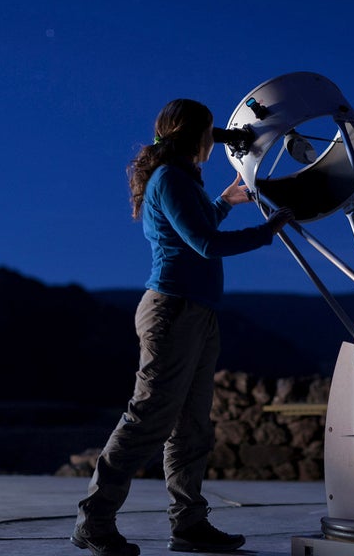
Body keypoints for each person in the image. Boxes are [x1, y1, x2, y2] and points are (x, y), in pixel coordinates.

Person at [71, 98, 294, 556]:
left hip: (197, 312)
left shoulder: (182, 179)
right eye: (210, 131)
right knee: (148, 418)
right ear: (193, 133)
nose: (215, 140)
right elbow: (204, 244)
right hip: (172, 310)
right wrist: (269, 229)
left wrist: (225, 202)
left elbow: (195, 225)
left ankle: (189, 525)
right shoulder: (170, 178)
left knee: (192, 428)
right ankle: (93, 521)